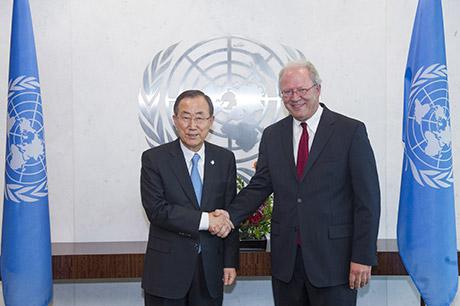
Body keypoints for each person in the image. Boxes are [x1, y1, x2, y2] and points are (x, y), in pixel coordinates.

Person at [214, 60, 381, 306]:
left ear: (317, 89)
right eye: (288, 92)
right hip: (287, 262)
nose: (295, 97)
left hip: (334, 261)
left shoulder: (350, 131)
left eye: (302, 90)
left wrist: (363, 256)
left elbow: (368, 201)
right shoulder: (273, 135)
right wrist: (228, 215)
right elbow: (260, 186)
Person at [140, 90, 239, 306]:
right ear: (175, 121)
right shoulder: (154, 159)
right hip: (166, 271)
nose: (192, 125)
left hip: (209, 270)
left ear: (210, 121)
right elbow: (157, 210)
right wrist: (206, 220)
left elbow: (229, 212)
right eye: (185, 117)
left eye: (200, 118)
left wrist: (229, 262)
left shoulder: (225, 159)